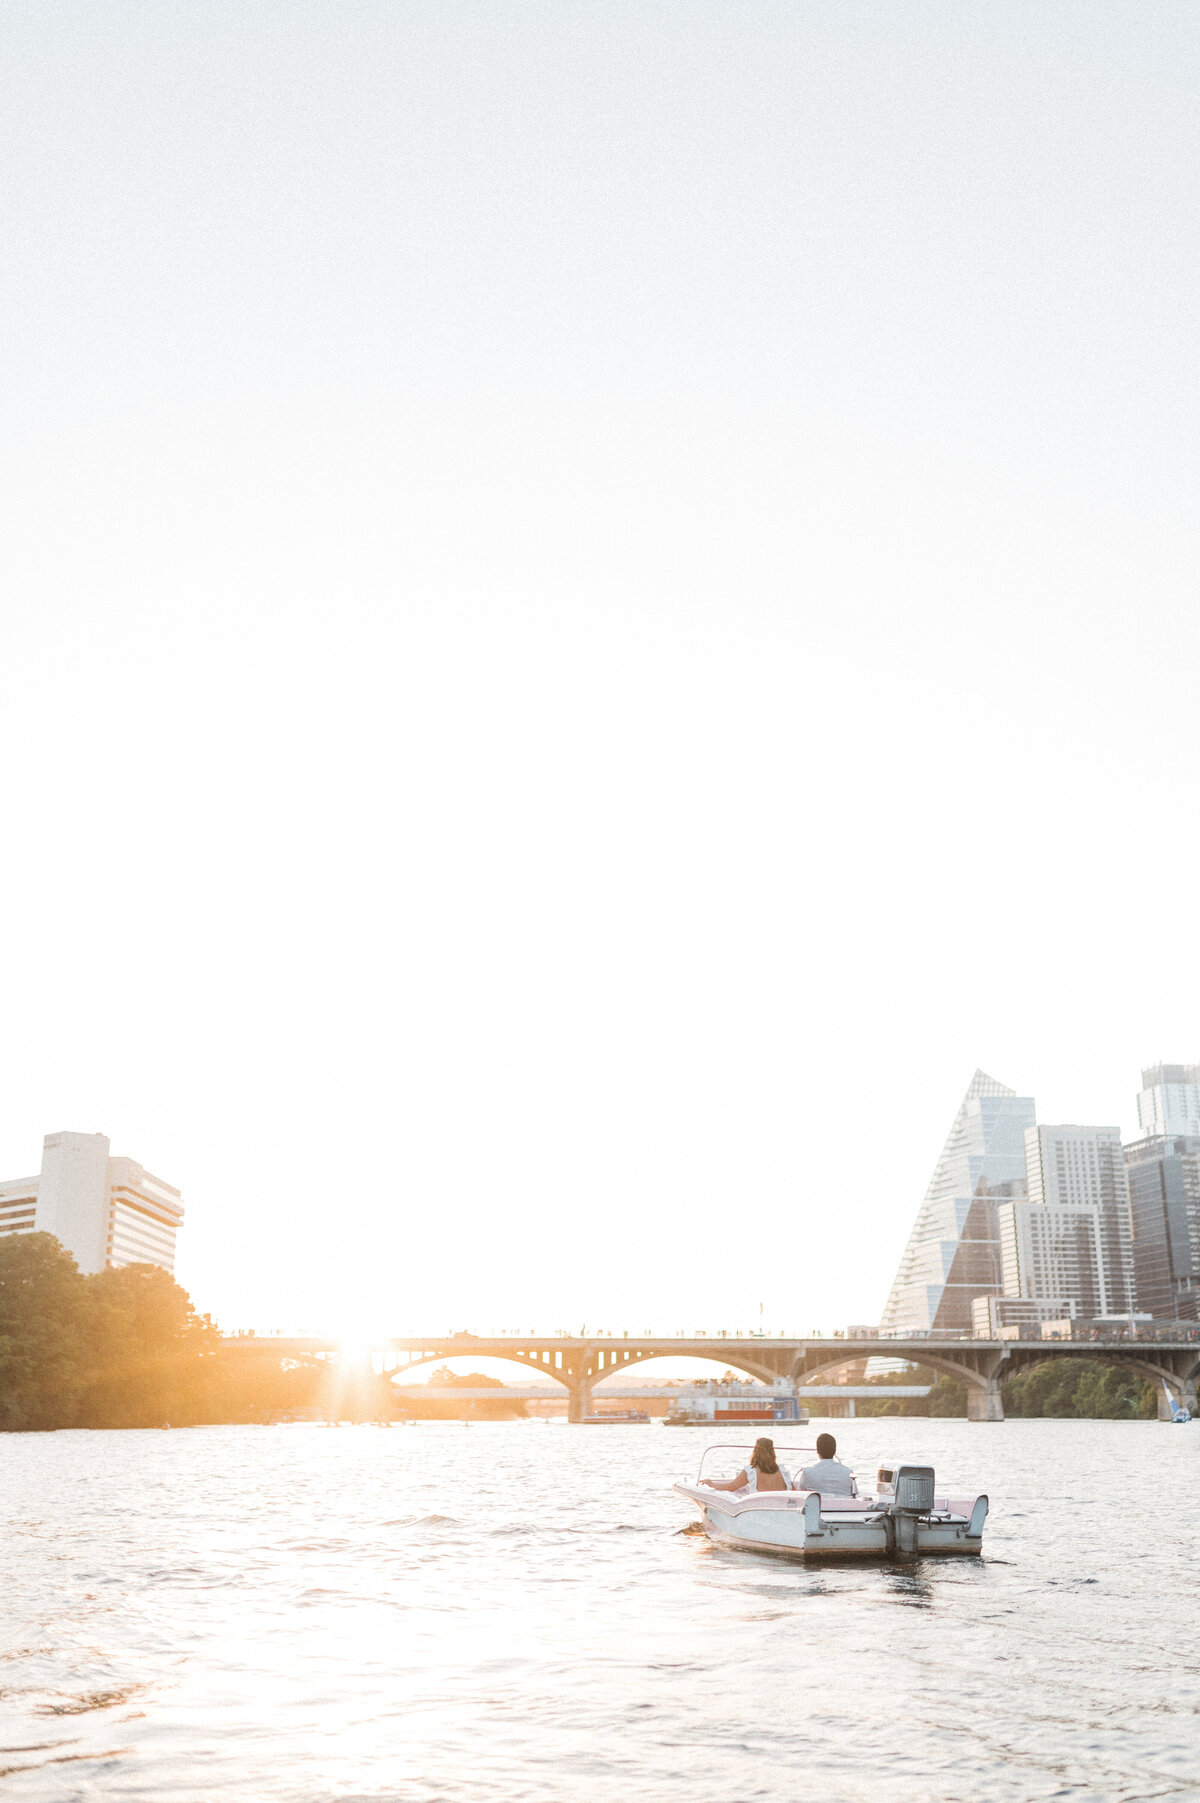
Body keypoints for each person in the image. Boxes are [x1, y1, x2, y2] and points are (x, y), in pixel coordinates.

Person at [700, 1436, 791, 1493]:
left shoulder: (751, 1471)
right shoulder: (782, 1470)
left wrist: (711, 1484)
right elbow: (793, 1490)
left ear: (756, 1451)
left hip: (760, 1509)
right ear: (772, 1452)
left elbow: (731, 1487)